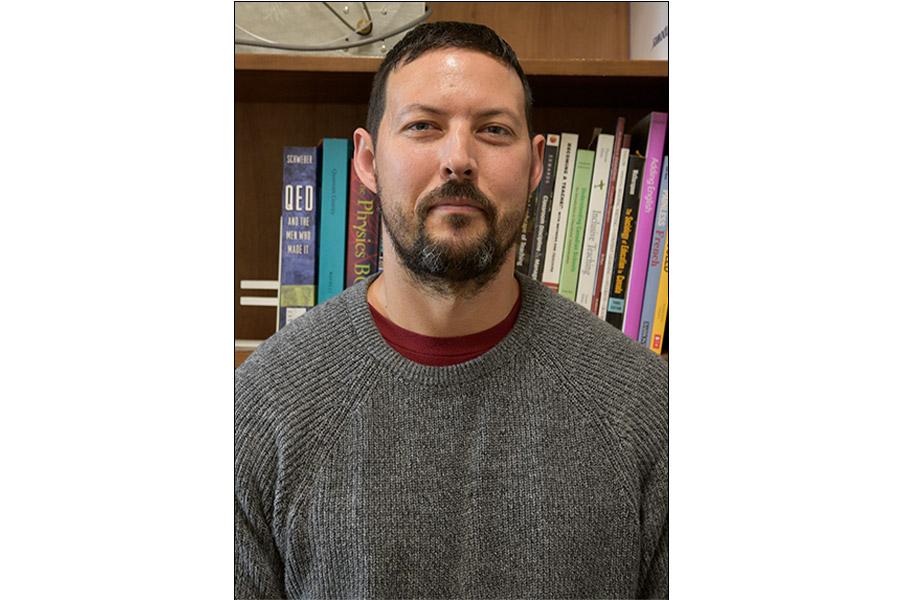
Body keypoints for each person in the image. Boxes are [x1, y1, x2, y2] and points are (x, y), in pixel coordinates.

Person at [235, 21, 668, 599]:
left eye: (493, 130)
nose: (457, 160)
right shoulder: (263, 407)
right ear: (366, 161)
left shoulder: (647, 407)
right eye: (423, 126)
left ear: (537, 165)